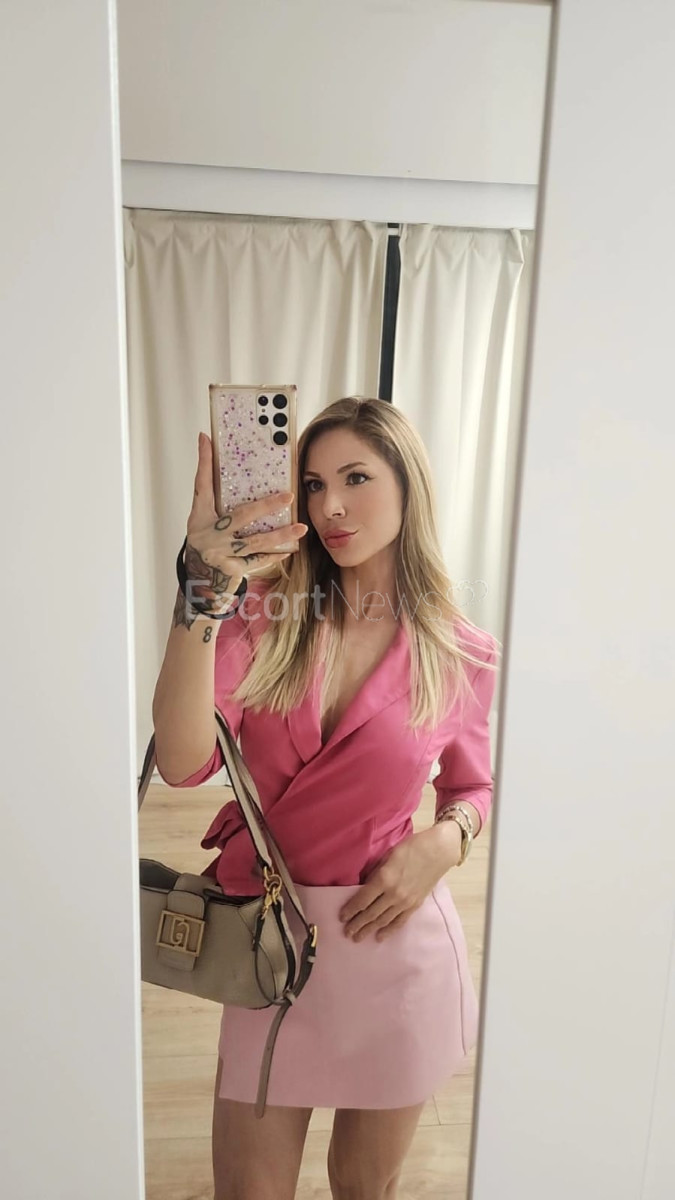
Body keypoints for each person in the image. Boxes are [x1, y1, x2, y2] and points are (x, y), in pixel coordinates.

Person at [152, 396, 499, 1200]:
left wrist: (444, 840)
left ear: (407, 486)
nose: (330, 506)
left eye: (355, 479)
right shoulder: (261, 619)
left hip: (393, 948)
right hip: (267, 947)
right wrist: (202, 589)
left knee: (363, 1188)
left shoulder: (461, 650)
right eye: (311, 485)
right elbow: (181, 762)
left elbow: (473, 784)